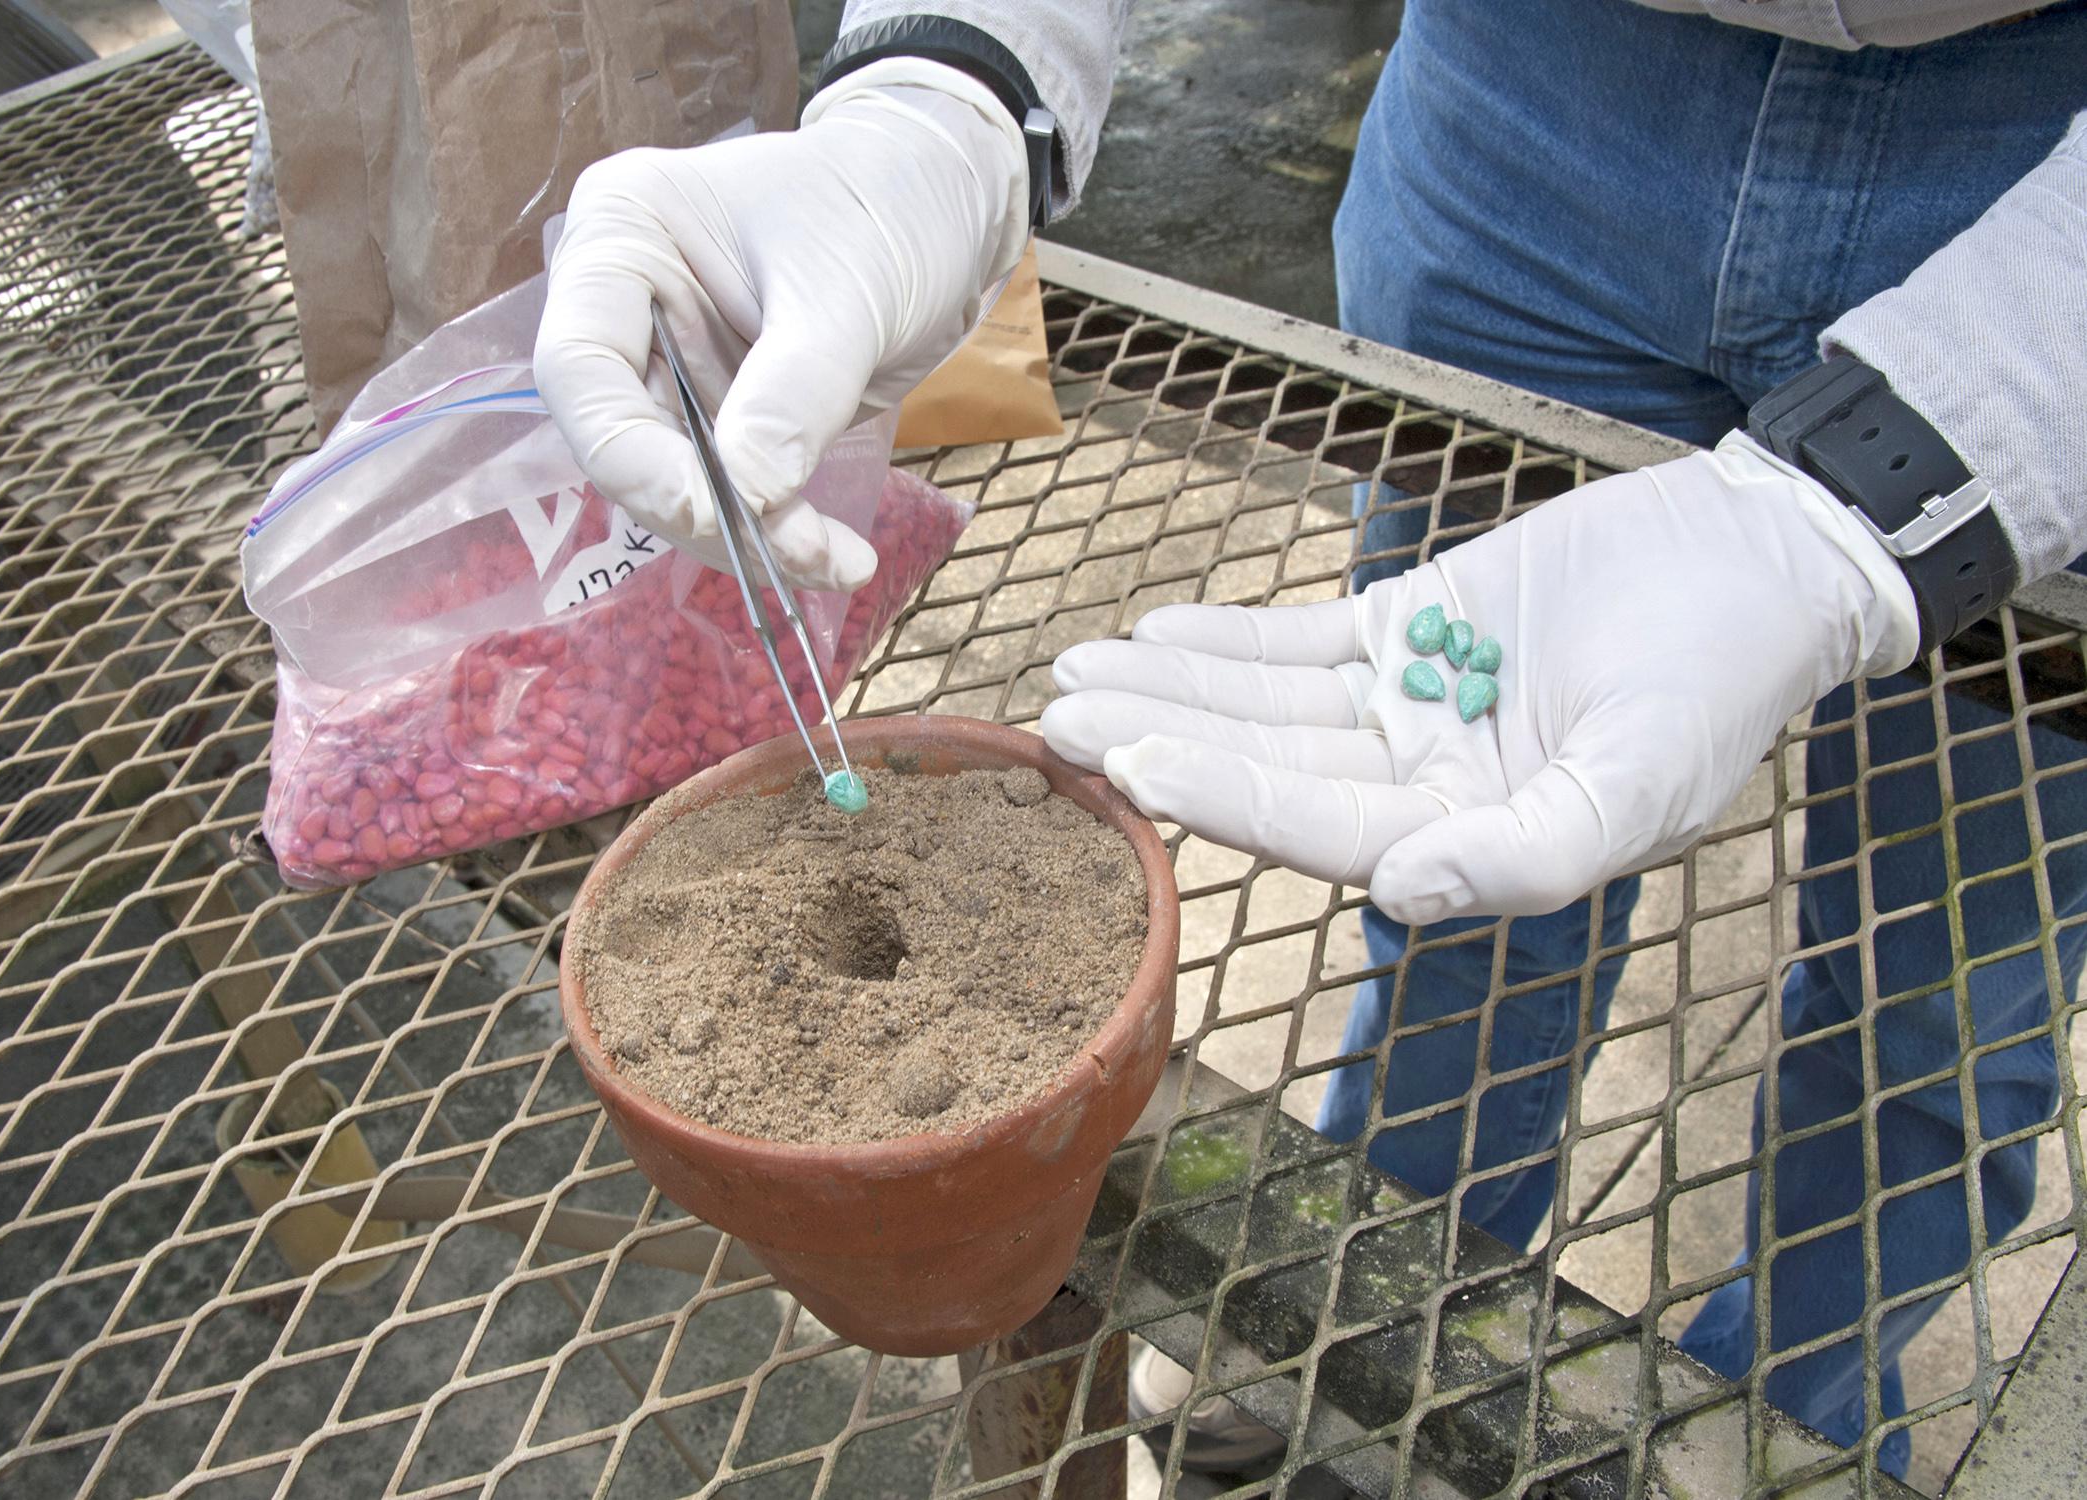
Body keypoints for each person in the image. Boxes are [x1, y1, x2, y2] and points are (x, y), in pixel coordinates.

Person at [533, 0, 2087, 1480]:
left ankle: (1790, 1418)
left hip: (2036, 159)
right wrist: (945, 81)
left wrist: (1916, 467)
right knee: (1455, 850)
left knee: (1948, 986)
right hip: (1538, 108)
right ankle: (1354, 1321)